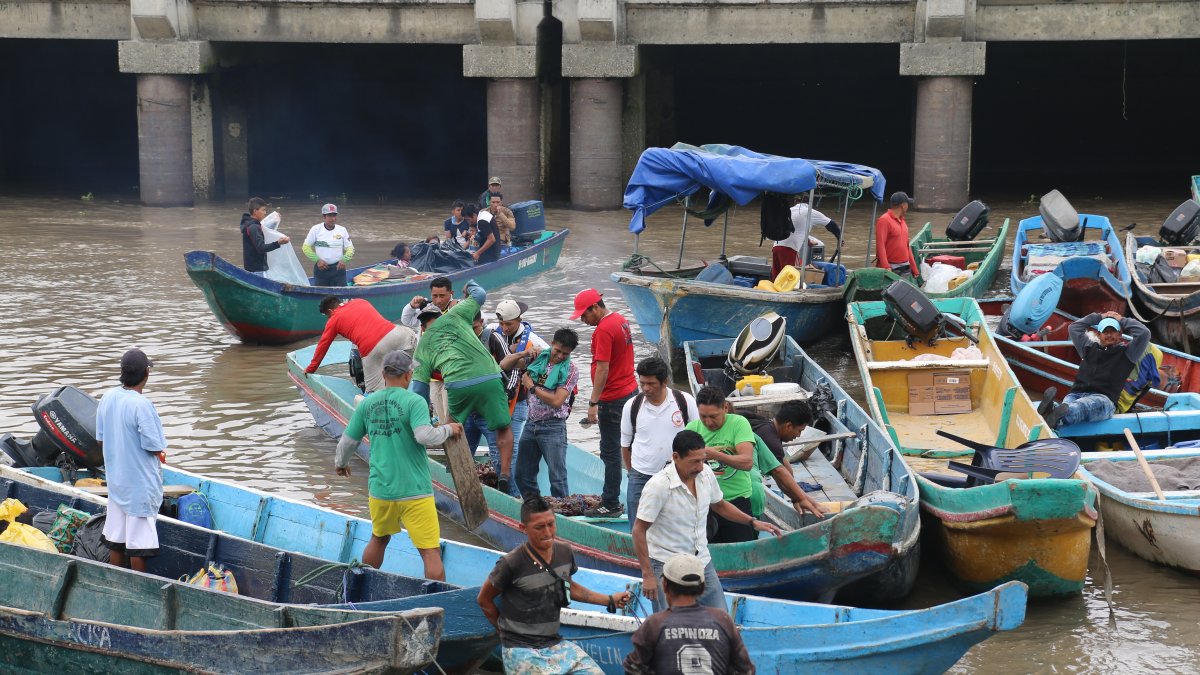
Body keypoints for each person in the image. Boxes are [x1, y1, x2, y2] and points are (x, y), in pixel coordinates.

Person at [334, 351, 462, 580]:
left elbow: (348, 441)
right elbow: (425, 436)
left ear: (383, 374)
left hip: (381, 489)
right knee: (429, 551)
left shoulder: (367, 404)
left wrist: (341, 464)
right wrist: (448, 429)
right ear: (408, 375)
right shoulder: (414, 401)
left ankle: (363, 586)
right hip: (414, 490)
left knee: (379, 538)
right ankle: (434, 601)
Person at [477, 496, 631, 675]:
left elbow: (567, 587)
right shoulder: (511, 563)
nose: (547, 532)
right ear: (523, 528)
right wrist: (507, 634)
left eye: (551, 524)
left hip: (555, 643)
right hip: (521, 650)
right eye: (539, 527)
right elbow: (484, 599)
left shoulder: (564, 552)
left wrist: (609, 600)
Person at [633, 430, 782, 613]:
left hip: (701, 560)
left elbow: (719, 505)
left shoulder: (706, 474)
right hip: (666, 564)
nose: (700, 467)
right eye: (694, 462)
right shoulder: (658, 486)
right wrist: (647, 575)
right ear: (676, 457)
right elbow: (639, 530)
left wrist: (752, 522)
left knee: (721, 616)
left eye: (703, 460)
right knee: (671, 624)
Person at [411, 280, 517, 494]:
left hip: (459, 385)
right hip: (490, 377)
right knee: (503, 428)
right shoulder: (457, 314)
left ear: (422, 328)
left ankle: (458, 482)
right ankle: (504, 474)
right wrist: (468, 286)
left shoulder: (422, 347)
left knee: (451, 426)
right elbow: (480, 292)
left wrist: (420, 425)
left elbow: (419, 393)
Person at [623, 553, 755, 675]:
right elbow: (746, 670)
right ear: (702, 588)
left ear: (664, 586)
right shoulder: (723, 620)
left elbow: (633, 668)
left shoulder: (654, 624)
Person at [96, 349, 168, 573]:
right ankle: (137, 591)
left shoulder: (108, 397)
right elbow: (155, 446)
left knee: (116, 540)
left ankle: (117, 583)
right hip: (139, 489)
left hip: (117, 484)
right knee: (139, 547)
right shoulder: (141, 405)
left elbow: (101, 439)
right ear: (146, 373)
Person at [571, 288, 638, 518]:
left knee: (610, 453)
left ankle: (610, 503)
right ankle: (635, 497)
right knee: (632, 447)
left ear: (595, 308)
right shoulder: (620, 320)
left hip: (613, 398)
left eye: (584, 314)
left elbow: (602, 368)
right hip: (630, 391)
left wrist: (593, 402)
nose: (582, 320)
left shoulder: (603, 330)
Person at [621, 356, 699, 525]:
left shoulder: (685, 401)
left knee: (677, 525)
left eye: (651, 384)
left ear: (665, 382)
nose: (645, 388)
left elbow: (698, 441)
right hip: (640, 477)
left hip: (677, 476)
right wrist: (632, 472)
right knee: (638, 526)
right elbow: (625, 445)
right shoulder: (632, 406)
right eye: (642, 383)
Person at [1042, 311, 1151, 428]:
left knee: (1081, 407)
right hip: (1076, 394)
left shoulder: (1128, 354)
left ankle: (1056, 415)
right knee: (1071, 405)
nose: (1109, 335)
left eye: (1113, 331)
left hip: (1103, 400)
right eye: (1105, 332)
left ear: (1120, 334)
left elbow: (1144, 333)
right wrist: (1099, 317)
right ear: (1099, 335)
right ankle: (1052, 411)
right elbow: (1074, 328)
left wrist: (1122, 320)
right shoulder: (1088, 348)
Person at [685, 385, 757, 544]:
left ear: (725, 407)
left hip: (736, 501)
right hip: (705, 506)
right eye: (703, 416)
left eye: (713, 416)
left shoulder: (738, 423)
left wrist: (713, 454)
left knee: (741, 554)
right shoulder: (692, 429)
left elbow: (747, 462)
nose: (708, 422)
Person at [516, 328, 581, 498]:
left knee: (557, 478)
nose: (560, 356)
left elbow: (557, 401)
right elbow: (504, 364)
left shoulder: (571, 370)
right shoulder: (538, 358)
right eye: (558, 351)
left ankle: (562, 512)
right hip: (530, 424)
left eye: (565, 354)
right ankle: (533, 505)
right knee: (522, 475)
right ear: (552, 343)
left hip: (553, 427)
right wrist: (524, 352)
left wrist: (531, 386)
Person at [305, 296, 418, 393]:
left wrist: (311, 368)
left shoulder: (333, 319)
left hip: (372, 349)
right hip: (399, 335)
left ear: (330, 311)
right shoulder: (360, 301)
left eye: (327, 316)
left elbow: (323, 345)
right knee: (408, 372)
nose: (328, 318)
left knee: (373, 392)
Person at [771, 197, 838, 279]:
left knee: (777, 277)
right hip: (790, 249)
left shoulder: (789, 210)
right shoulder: (809, 211)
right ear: (810, 202)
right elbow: (831, 224)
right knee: (791, 277)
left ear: (795, 201)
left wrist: (808, 241)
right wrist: (840, 238)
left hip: (776, 247)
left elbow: (797, 229)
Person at [302, 203, 355, 287]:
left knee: (340, 297)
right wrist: (317, 260)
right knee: (322, 298)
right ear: (324, 217)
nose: (333, 218)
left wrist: (344, 259)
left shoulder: (342, 230)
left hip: (338, 269)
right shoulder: (315, 229)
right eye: (330, 216)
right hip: (321, 269)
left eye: (335, 215)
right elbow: (306, 247)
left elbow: (350, 248)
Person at [874, 191, 920, 281]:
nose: (908, 206)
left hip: (905, 267)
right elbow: (880, 245)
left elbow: (907, 246)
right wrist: (886, 267)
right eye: (907, 204)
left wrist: (914, 268)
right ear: (903, 205)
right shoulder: (884, 220)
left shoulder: (902, 221)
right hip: (892, 268)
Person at [240, 197, 288, 274]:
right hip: (257, 270)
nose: (265, 213)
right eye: (263, 210)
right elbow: (261, 248)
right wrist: (278, 243)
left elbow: (265, 228)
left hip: (251, 268)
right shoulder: (254, 227)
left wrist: (275, 220)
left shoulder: (250, 224)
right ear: (255, 211)